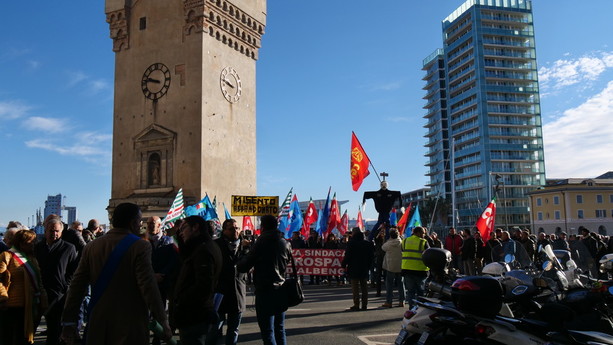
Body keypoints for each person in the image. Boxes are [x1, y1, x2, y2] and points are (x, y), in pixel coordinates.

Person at [61, 203, 171, 345]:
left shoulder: (92, 246)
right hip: (129, 322)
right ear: (132, 223)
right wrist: (163, 321)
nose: (141, 224)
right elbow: (148, 286)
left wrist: (69, 322)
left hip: (98, 320)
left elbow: (77, 286)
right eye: (139, 221)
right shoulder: (141, 246)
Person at [237, 215, 291, 345]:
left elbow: (244, 266)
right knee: (280, 328)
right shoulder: (285, 242)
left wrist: (245, 250)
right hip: (281, 288)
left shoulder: (262, 242)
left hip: (265, 289)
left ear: (262, 227)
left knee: (267, 331)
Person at [172, 216, 222, 345]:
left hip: (195, 316)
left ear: (195, 228)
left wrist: (181, 299)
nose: (181, 232)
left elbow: (203, 285)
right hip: (197, 314)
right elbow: (185, 256)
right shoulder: (203, 246)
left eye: (184, 228)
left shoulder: (203, 250)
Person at [35, 216, 79, 345]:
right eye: (51, 231)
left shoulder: (68, 248)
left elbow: (73, 270)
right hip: (39, 292)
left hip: (58, 295)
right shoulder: (38, 247)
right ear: (45, 231)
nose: (54, 234)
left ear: (61, 232)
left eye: (57, 231)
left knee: (54, 330)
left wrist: (65, 286)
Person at [0, 229, 48, 345]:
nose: (33, 245)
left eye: (34, 242)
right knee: (10, 338)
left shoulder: (32, 259)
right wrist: (3, 297)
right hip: (11, 307)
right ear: (21, 243)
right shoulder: (7, 256)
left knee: (24, 339)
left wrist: (43, 298)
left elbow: (39, 281)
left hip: (29, 306)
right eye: (30, 242)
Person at [207, 218, 249, 345]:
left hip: (237, 293)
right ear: (224, 230)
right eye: (231, 229)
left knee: (233, 330)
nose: (235, 231)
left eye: (237, 228)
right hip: (220, 294)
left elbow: (248, 266)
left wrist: (246, 250)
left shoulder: (244, 245)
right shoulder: (216, 245)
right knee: (214, 329)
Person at [342, 227, 374, 311]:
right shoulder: (367, 243)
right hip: (364, 267)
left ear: (353, 233)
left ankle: (356, 304)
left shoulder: (351, 243)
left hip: (353, 267)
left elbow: (347, 255)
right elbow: (371, 257)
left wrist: (344, 264)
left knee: (355, 288)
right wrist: (368, 266)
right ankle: (364, 304)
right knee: (364, 287)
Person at [401, 226, 429, 308]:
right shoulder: (423, 242)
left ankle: (411, 308)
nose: (424, 235)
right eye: (423, 233)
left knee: (410, 291)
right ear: (418, 233)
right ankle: (419, 309)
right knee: (420, 291)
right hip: (420, 270)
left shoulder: (405, 241)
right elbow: (428, 254)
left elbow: (403, 250)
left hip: (407, 269)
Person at [381, 229, 404, 308]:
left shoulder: (388, 244)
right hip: (400, 266)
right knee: (401, 284)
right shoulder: (401, 243)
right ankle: (402, 301)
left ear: (390, 235)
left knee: (389, 285)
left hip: (390, 266)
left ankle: (389, 301)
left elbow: (382, 247)